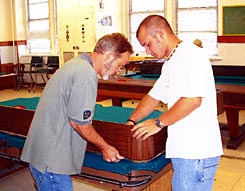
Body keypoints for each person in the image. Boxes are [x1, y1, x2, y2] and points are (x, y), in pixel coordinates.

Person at [21, 33, 133, 191]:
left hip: (42, 157)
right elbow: (80, 123)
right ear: (109, 56)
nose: (118, 71)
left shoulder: (76, 63)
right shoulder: (86, 74)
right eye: (120, 65)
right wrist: (105, 147)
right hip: (51, 164)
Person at [126, 15, 223, 191]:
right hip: (185, 151)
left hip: (196, 152)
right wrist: (131, 121)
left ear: (160, 35)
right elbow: (153, 97)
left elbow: (193, 100)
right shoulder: (172, 62)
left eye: (147, 44)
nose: (147, 51)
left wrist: (158, 123)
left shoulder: (191, 54)